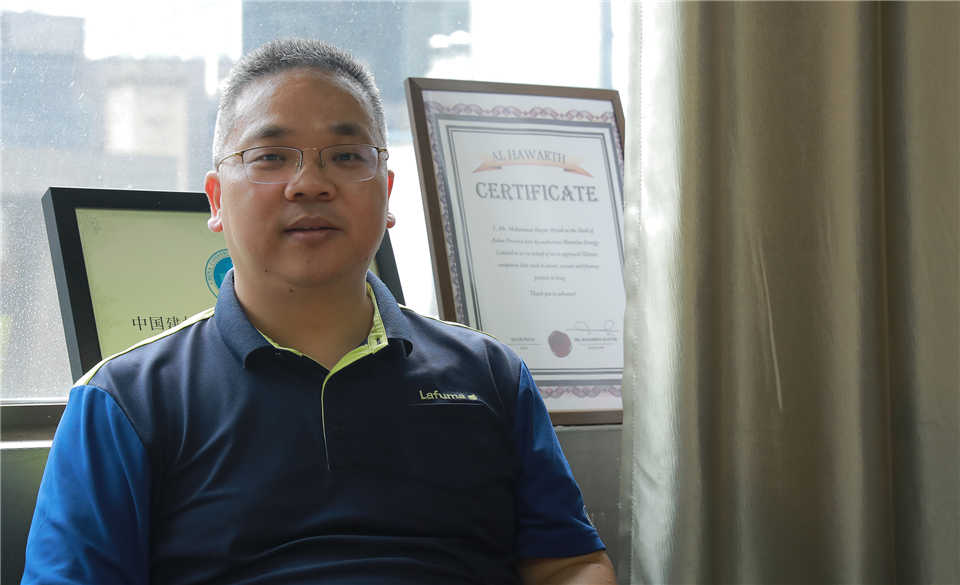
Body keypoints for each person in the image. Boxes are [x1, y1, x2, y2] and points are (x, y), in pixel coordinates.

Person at [22, 39, 617, 585]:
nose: (309, 184)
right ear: (216, 199)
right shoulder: (125, 401)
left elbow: (570, 563)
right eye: (270, 156)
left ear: (387, 193)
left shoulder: (490, 374)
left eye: (346, 155)